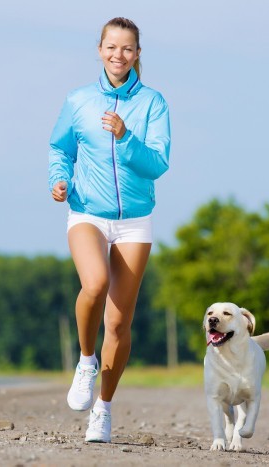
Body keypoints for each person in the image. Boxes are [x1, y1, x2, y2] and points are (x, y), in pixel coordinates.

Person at [47, 17, 170, 443]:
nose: (119, 55)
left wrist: (125, 137)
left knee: (119, 324)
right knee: (94, 284)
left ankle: (103, 409)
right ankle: (85, 359)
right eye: (111, 47)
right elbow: (59, 147)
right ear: (100, 50)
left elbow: (158, 163)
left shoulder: (153, 103)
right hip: (87, 212)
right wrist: (58, 180)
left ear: (137, 55)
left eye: (128, 49)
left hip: (134, 220)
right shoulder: (78, 100)